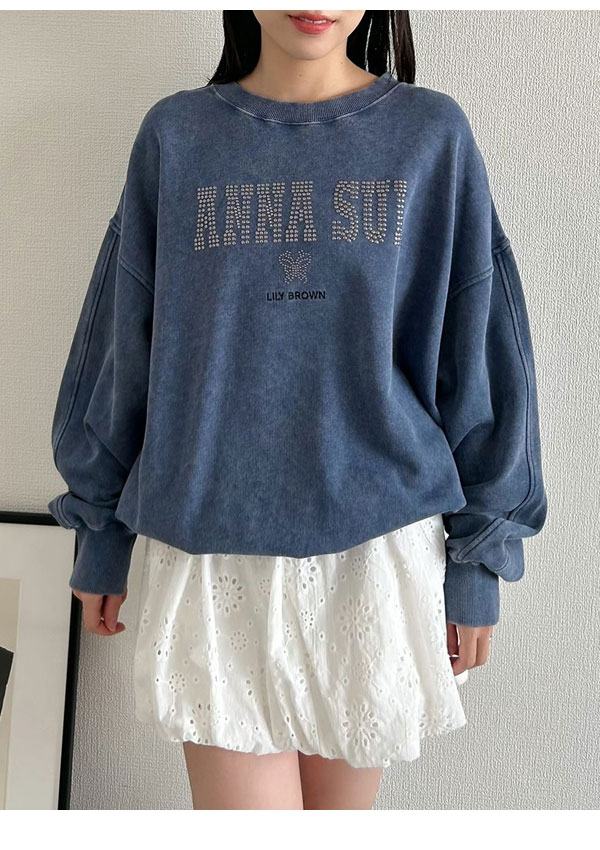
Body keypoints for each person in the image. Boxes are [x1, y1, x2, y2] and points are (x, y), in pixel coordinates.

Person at [47, 10, 548, 810]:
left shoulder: (431, 137)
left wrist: (481, 556)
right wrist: (99, 529)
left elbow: (480, 349)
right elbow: (121, 344)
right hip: (210, 549)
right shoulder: (177, 138)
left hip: (378, 551)